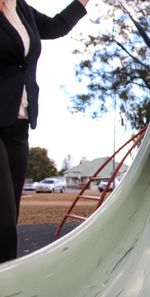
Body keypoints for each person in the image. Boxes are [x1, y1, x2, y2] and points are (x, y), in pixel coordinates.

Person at [0, 0, 89, 264]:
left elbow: (56, 27)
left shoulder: (21, 9)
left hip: (19, 122)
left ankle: (6, 276)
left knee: (11, 208)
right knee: (2, 209)